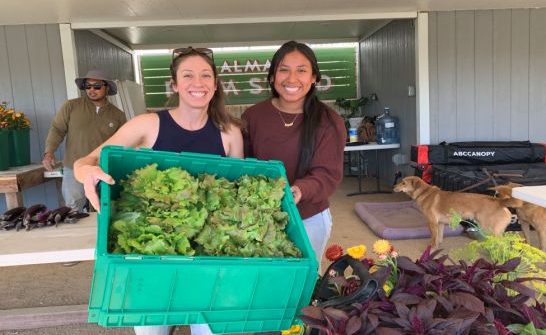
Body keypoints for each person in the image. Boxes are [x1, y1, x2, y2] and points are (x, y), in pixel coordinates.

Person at [74, 47, 243, 335]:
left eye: (205, 76)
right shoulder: (148, 125)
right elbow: (86, 161)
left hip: (208, 262)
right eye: (187, 75)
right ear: (175, 84)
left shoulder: (229, 133)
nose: (197, 83)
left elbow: (236, 196)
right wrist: (86, 172)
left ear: (215, 85)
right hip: (152, 263)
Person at [241, 41, 346, 267]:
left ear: (314, 78)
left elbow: (328, 174)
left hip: (308, 217)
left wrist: (300, 190)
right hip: (259, 218)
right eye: (284, 69)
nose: (292, 78)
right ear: (272, 77)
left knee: (303, 285)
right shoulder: (253, 116)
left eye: (301, 70)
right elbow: (243, 164)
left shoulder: (328, 121)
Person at [43, 70, 127, 212]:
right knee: (72, 209)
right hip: (73, 167)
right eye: (88, 86)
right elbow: (57, 129)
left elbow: (124, 143)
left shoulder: (118, 115)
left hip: (103, 169)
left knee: (101, 209)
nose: (91, 90)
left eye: (97, 86)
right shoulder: (71, 107)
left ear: (107, 88)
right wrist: (49, 152)